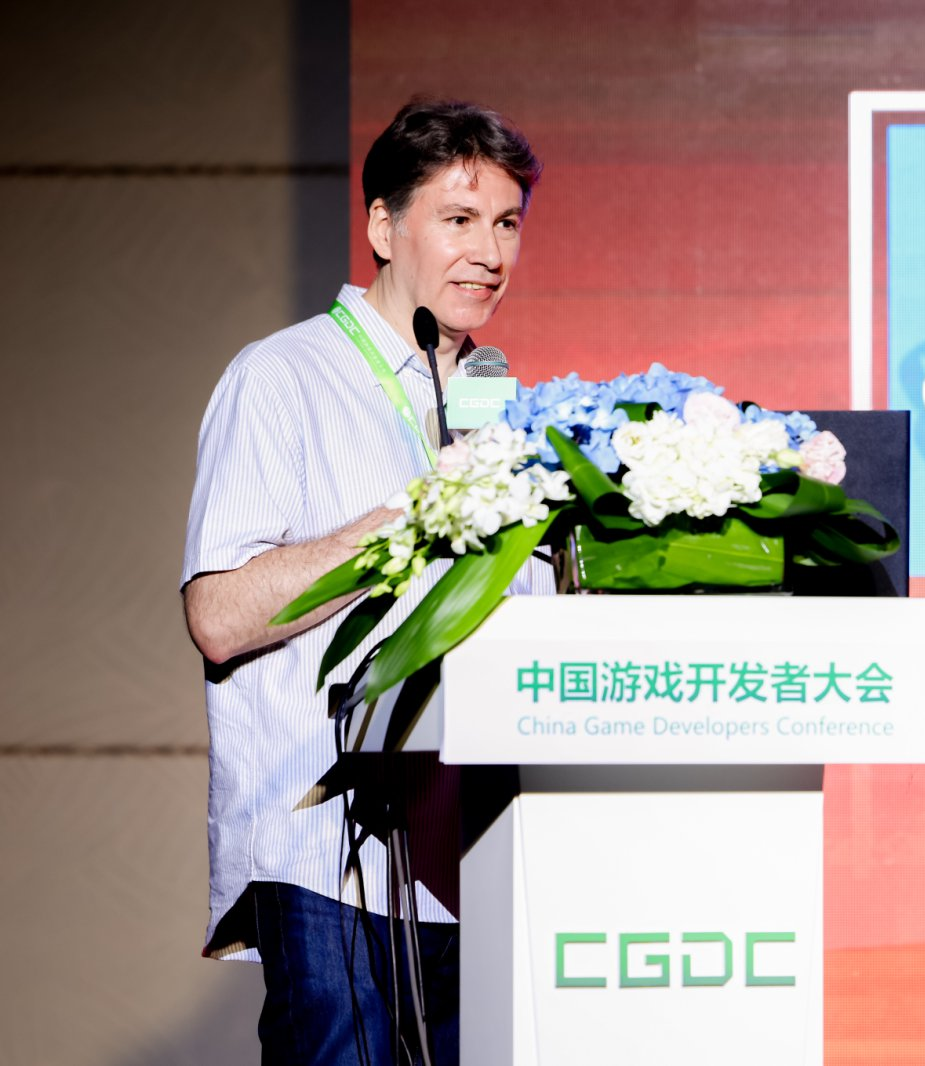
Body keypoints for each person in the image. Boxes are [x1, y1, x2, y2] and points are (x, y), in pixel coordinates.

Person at [181, 98, 543, 1066]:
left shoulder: (498, 407)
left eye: (507, 223)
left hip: (478, 858)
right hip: (329, 857)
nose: (489, 253)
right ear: (383, 226)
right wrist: (410, 518)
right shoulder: (284, 376)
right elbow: (219, 615)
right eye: (459, 219)